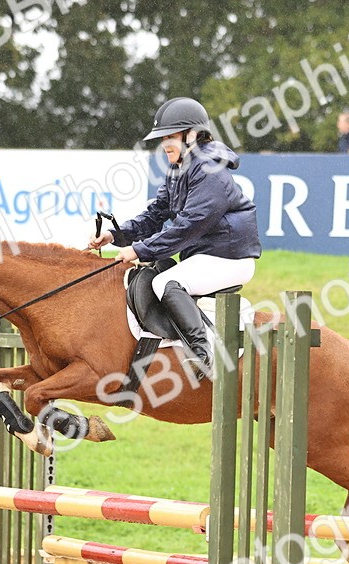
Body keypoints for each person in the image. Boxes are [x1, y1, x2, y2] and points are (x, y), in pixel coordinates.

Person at [88, 97, 260, 379]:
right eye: (163, 138)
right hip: (207, 257)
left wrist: (140, 250)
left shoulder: (209, 171)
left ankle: (203, 353)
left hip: (231, 259)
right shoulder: (179, 170)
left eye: (170, 137)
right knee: (159, 272)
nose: (165, 144)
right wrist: (115, 235)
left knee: (165, 282)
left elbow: (188, 226)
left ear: (192, 135)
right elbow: (155, 214)